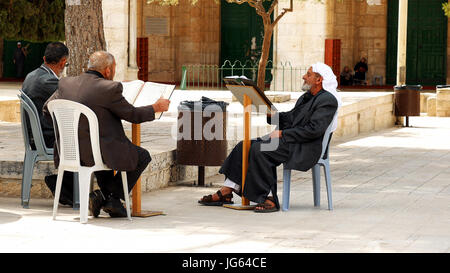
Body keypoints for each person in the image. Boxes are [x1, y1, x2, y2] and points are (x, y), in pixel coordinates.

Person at [198, 62, 342, 212]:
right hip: (292, 140)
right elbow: (292, 118)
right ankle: (227, 191)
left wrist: (282, 133)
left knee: (260, 149)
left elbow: (314, 130)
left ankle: (267, 199)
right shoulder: (307, 97)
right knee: (245, 145)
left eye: (308, 74)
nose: (303, 76)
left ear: (319, 80)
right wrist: (271, 115)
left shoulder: (327, 100)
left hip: (305, 146)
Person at [43, 51, 170, 218]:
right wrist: (155, 107)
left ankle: (110, 201)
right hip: (98, 153)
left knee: (104, 150)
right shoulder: (110, 88)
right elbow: (132, 115)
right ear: (108, 70)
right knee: (142, 155)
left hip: (69, 152)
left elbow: (47, 109)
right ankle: (109, 198)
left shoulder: (66, 83)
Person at [21, 42, 74, 206]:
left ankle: (65, 186)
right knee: (87, 141)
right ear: (63, 62)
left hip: (36, 136)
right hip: (46, 138)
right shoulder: (48, 81)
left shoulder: (31, 75)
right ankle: (67, 187)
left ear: (44, 58)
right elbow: (73, 101)